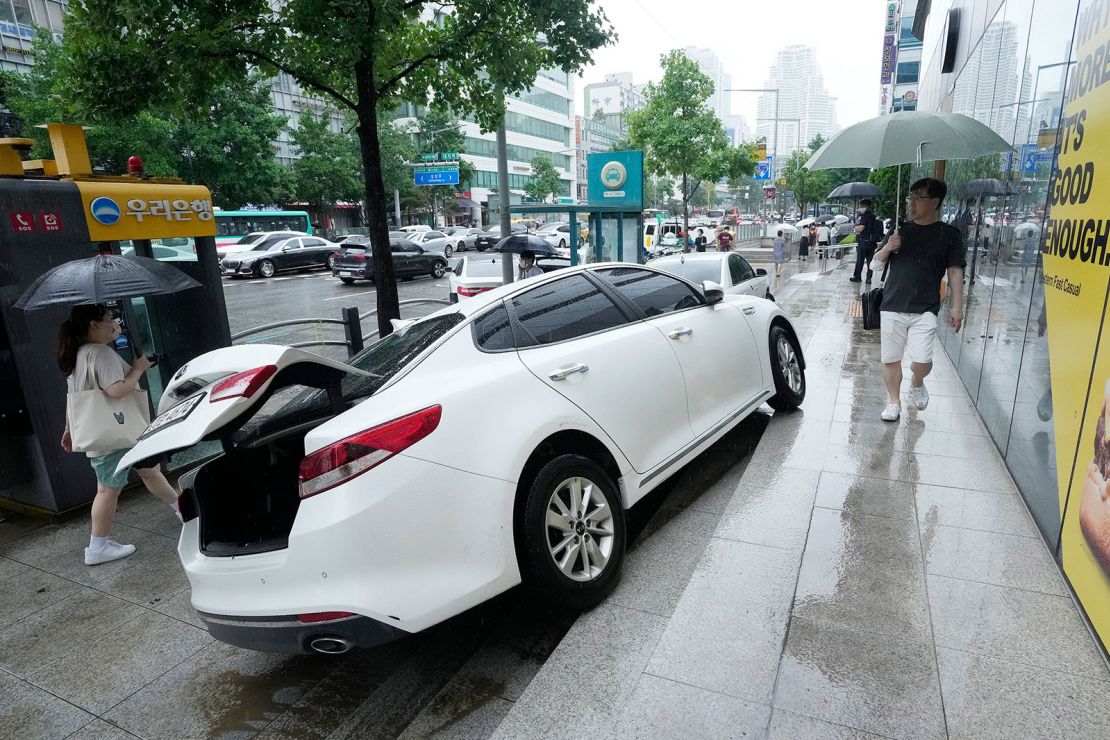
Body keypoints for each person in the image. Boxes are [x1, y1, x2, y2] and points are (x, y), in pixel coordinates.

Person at [58, 304, 181, 565]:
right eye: (108, 318)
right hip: (115, 433)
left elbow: (72, 398)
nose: (115, 322)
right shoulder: (100, 353)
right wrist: (139, 368)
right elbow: (116, 390)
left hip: (110, 432)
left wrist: (69, 428)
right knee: (106, 490)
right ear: (94, 325)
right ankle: (97, 548)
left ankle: (184, 511)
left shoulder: (78, 353)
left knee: (150, 470)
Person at [870, 178, 966, 422]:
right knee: (890, 358)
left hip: (926, 307)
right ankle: (894, 402)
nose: (911, 203)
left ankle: (918, 381)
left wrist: (957, 306)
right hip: (892, 304)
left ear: (935, 202)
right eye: (910, 198)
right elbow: (875, 264)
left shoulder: (949, 235)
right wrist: (888, 247)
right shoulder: (898, 230)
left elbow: (955, 271)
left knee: (922, 359)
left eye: (918, 198)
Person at [850, 199, 879, 284]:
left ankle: (857, 277)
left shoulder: (865, 216)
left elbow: (861, 228)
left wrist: (855, 226)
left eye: (861, 206)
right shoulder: (874, 216)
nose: (860, 208)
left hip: (864, 242)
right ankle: (869, 278)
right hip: (872, 242)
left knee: (860, 260)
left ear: (866, 206)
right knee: (870, 261)